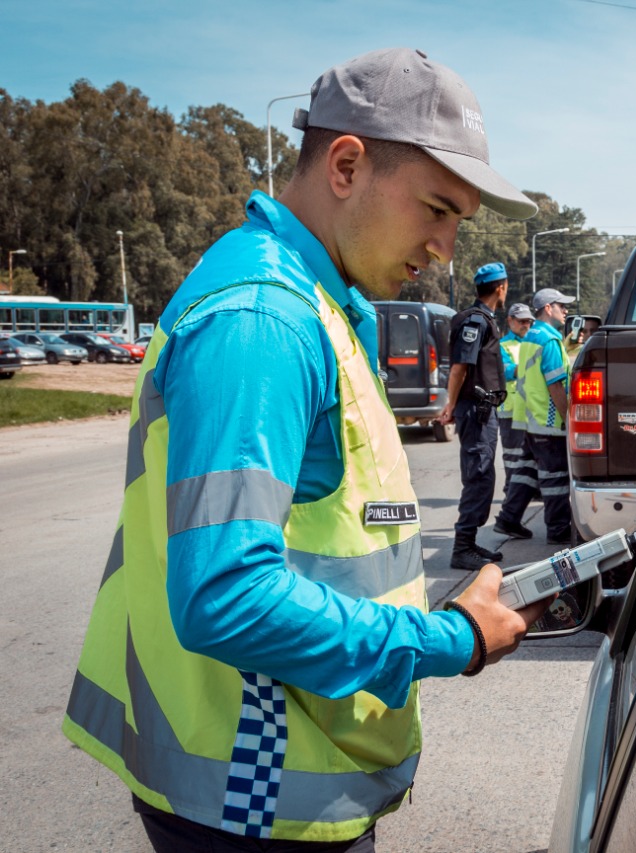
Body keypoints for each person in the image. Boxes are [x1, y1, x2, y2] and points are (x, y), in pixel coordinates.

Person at [62, 47, 551, 852]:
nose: (446, 248)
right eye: (436, 208)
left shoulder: (318, 300)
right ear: (347, 165)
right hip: (251, 798)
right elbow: (226, 593)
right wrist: (448, 640)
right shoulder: (266, 318)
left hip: (261, 785)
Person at [438, 261, 512, 571]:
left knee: (483, 476)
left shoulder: (483, 319)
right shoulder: (476, 322)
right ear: (501, 288)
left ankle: (470, 542)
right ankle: (462, 548)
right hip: (476, 410)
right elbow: (459, 367)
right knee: (478, 477)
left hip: (482, 409)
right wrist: (451, 405)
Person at [517, 287, 576, 544]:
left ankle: (508, 518)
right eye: (561, 305)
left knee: (528, 474)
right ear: (547, 308)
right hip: (550, 424)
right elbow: (555, 386)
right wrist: (568, 419)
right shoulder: (550, 340)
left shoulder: (531, 336)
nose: (566, 310)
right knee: (556, 482)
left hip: (533, 419)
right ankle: (558, 531)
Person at [493, 302, 538, 540]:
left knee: (526, 462)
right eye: (521, 321)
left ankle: (514, 508)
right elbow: (505, 371)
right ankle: (511, 508)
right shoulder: (503, 345)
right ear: (509, 321)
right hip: (510, 411)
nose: (526, 324)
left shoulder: (531, 342)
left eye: (529, 321)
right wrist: (529, 364)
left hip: (530, 411)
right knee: (513, 462)